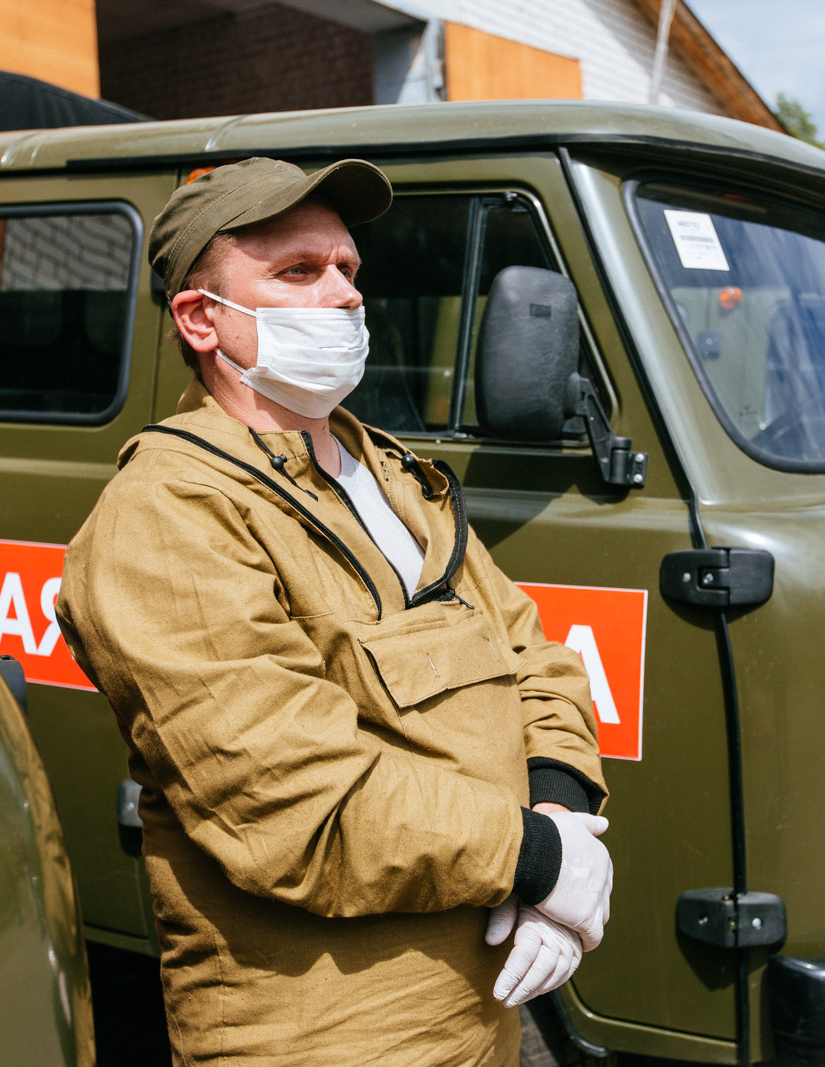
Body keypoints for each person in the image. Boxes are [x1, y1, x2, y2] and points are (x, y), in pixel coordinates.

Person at [57, 157, 611, 1064]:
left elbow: (530, 652)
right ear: (203, 319)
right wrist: (542, 862)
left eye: (349, 269)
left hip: (477, 1019)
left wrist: (559, 809)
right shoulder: (167, 510)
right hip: (334, 1034)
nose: (345, 296)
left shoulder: (388, 469)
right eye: (298, 272)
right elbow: (290, 798)